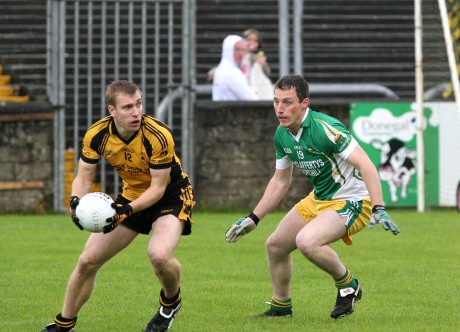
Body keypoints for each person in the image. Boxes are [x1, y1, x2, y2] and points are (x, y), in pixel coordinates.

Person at [225, 74, 399, 319]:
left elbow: (367, 165)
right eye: (276, 102)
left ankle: (348, 285)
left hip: (353, 201)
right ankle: (281, 306)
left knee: (306, 241)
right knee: (275, 246)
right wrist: (254, 217)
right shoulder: (282, 135)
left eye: (287, 102)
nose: (279, 109)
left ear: (304, 103)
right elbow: (280, 181)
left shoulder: (325, 129)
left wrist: (379, 207)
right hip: (319, 199)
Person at [41, 80, 195, 332]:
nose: (136, 112)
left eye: (138, 104)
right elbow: (84, 177)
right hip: (132, 196)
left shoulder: (158, 134)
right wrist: (75, 203)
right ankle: (64, 323)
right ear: (112, 110)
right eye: (127, 107)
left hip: (171, 195)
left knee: (159, 255)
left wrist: (126, 210)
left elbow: (157, 188)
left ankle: (170, 302)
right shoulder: (97, 134)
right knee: (87, 261)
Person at [212, 34, 259, 101]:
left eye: (243, 50)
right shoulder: (231, 72)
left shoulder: (221, 69)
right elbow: (252, 99)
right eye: (237, 49)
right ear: (228, 50)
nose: (240, 53)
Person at [241, 28, 273, 100]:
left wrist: (263, 64)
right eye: (249, 40)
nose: (252, 43)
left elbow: (268, 73)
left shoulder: (259, 57)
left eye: (255, 41)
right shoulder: (238, 56)